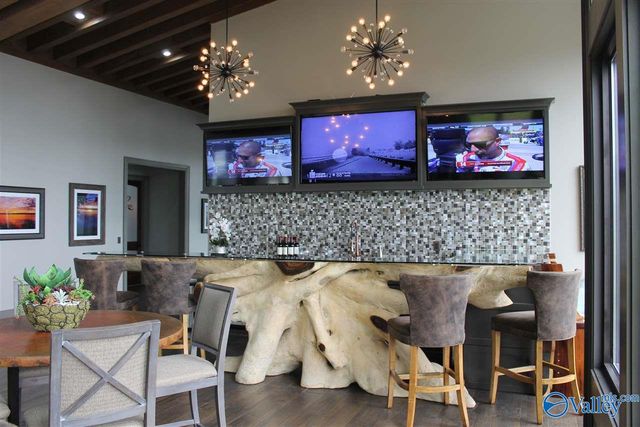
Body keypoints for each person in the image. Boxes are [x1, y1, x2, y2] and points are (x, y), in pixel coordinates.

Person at [456, 126, 529, 172]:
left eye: (479, 144)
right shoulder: (464, 159)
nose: (473, 150)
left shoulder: (519, 165)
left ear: (497, 141)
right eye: (468, 145)